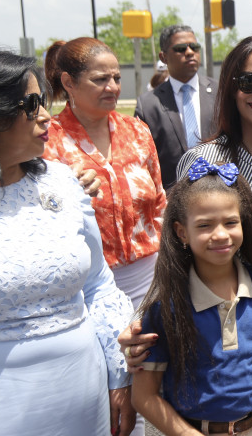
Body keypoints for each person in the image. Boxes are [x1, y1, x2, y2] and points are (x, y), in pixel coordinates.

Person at [123, 35, 252, 436]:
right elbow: (176, 250)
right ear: (231, 88)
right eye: (248, 81)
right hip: (228, 335)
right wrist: (141, 323)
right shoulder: (205, 161)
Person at [0, 41, 134, 435]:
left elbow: (99, 286)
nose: (46, 116)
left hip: (86, 401)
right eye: (31, 104)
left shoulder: (64, 183)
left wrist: (119, 374)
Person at [131, 161, 252, 436]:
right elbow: (144, 396)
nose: (220, 234)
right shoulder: (166, 305)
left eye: (231, 222)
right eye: (204, 225)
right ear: (182, 232)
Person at [43, 37, 167, 314]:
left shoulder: (137, 131)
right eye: (100, 79)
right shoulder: (47, 141)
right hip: (83, 286)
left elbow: (160, 203)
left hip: (151, 278)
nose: (112, 87)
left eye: (116, 78)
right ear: (68, 82)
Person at [135, 25, 218, 188]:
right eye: (180, 48)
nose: (189, 52)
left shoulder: (220, 92)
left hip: (218, 192)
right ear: (163, 57)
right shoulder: (148, 104)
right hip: (172, 197)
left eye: (194, 47)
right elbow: (142, 160)